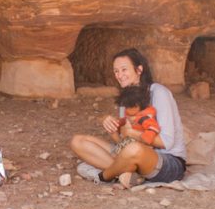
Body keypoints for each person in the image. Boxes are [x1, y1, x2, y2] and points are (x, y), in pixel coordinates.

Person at [70, 48, 186, 188]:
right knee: (78, 141)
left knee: (134, 149)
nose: (119, 75)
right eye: (116, 71)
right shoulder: (125, 99)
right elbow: (122, 141)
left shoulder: (158, 92)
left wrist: (133, 134)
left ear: (139, 70)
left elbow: (167, 142)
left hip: (168, 162)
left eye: (124, 69)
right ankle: (127, 173)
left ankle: (104, 176)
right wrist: (111, 127)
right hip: (132, 152)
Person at [111, 84, 161, 156]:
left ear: (136, 106)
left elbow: (153, 127)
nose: (124, 109)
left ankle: (119, 155)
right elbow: (122, 120)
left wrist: (146, 138)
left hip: (140, 146)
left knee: (122, 152)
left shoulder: (144, 117)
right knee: (112, 131)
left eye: (126, 107)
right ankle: (118, 153)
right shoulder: (128, 112)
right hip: (128, 140)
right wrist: (117, 124)